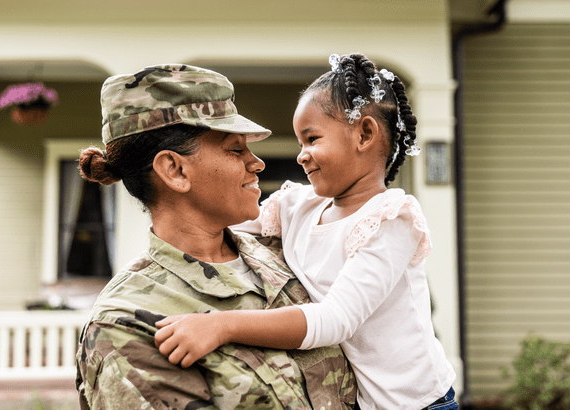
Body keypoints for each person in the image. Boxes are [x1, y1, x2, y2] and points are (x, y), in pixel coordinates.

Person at [154, 53, 458, 410]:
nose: (301, 155)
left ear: (364, 134)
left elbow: (335, 320)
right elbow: (216, 223)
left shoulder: (391, 220)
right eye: (300, 142)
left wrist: (221, 326)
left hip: (420, 403)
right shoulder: (299, 206)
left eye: (312, 139)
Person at [74, 63, 357, 410]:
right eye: (235, 150)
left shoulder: (286, 255)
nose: (257, 163)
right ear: (175, 170)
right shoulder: (127, 324)